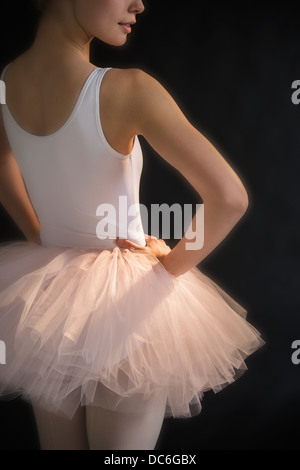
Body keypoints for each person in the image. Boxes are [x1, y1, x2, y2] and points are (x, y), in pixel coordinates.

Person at [0, 0, 265, 450]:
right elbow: (229, 197)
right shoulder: (128, 89)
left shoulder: (7, 81)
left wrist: (38, 233)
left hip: (45, 300)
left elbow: (4, 165)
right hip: (127, 305)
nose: (139, 4)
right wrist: (171, 266)